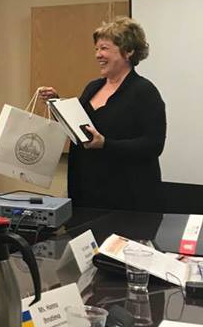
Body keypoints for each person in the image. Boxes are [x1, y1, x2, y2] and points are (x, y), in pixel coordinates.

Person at [39, 16, 166, 212]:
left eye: (104, 48)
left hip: (127, 198)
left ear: (128, 51)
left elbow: (153, 145)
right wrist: (56, 102)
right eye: (96, 49)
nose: (98, 55)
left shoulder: (145, 91)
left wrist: (106, 144)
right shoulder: (93, 87)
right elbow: (78, 128)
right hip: (85, 192)